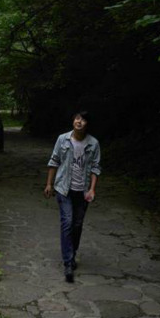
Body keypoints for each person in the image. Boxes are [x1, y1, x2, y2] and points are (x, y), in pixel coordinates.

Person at [44, 111, 101, 282]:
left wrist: (92, 189)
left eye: (83, 119)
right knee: (67, 222)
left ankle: (72, 253)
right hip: (64, 189)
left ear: (87, 124)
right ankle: (68, 263)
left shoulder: (93, 143)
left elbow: (95, 168)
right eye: (77, 118)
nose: (80, 121)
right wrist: (49, 184)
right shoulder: (63, 139)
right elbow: (54, 161)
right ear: (73, 120)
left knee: (77, 225)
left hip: (82, 192)